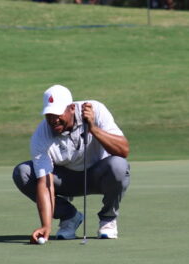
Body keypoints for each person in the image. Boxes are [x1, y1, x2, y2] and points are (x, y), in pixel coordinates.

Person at [12, 85, 131, 243]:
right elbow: (45, 184)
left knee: (119, 166)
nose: (53, 120)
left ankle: (108, 219)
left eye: (58, 114)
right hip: (65, 181)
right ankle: (69, 216)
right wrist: (46, 226)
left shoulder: (96, 109)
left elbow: (123, 150)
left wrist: (94, 129)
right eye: (49, 115)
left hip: (97, 175)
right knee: (23, 172)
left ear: (72, 108)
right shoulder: (41, 136)